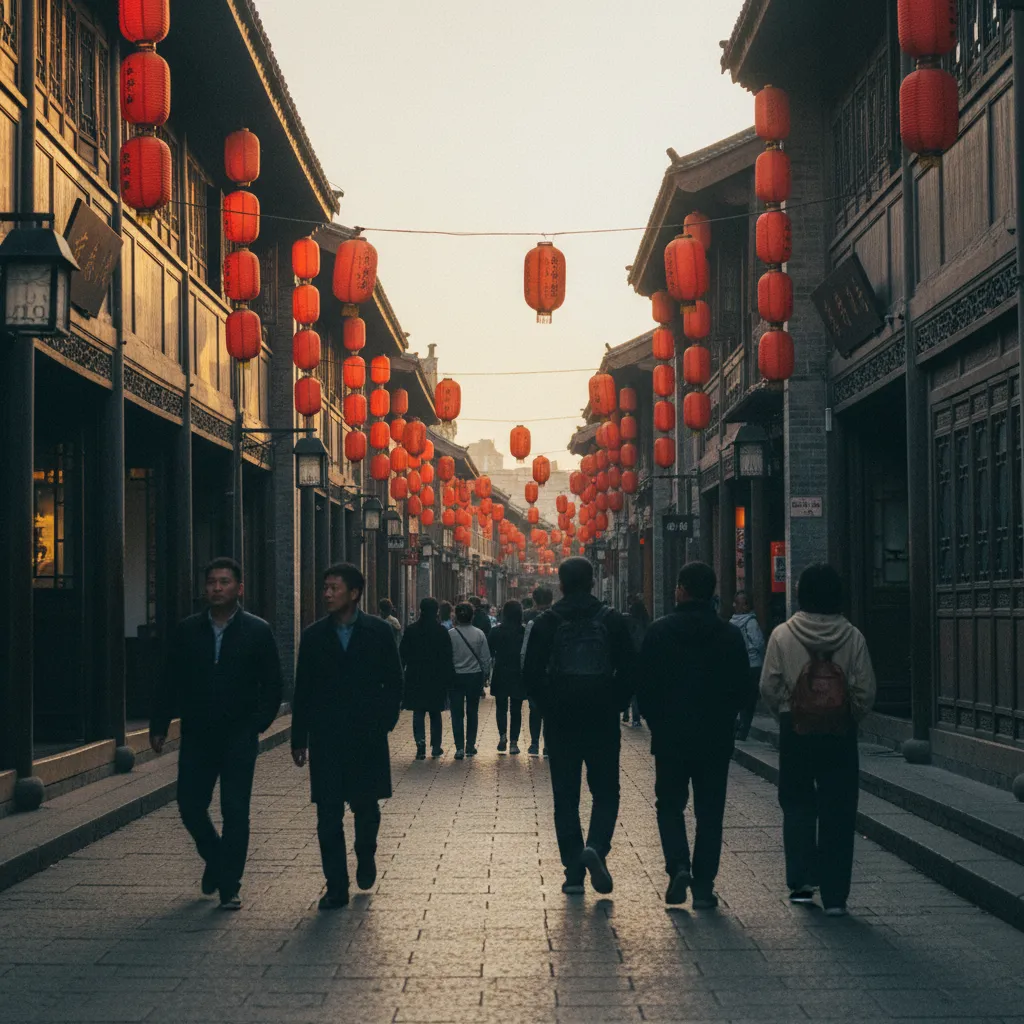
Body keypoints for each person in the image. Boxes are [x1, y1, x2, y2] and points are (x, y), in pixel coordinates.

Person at [150, 557, 283, 911]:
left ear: (239, 589)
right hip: (197, 733)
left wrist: (258, 723)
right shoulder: (188, 630)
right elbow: (169, 679)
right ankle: (216, 857)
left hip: (239, 733)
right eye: (211, 582)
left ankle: (230, 885)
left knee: (235, 809)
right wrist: (160, 724)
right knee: (190, 805)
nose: (217, 588)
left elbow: (273, 685)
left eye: (224, 582)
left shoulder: (257, 630)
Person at [760, 563, 877, 917]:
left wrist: (786, 708)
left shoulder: (783, 634)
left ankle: (801, 883)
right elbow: (865, 690)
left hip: (796, 730)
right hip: (840, 734)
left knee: (797, 804)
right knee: (838, 809)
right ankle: (836, 895)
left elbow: (768, 684)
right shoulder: (853, 636)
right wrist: (848, 714)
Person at [637, 563, 749, 909]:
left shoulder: (659, 632)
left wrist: (656, 722)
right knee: (710, 812)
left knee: (670, 805)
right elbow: (743, 688)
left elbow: (646, 688)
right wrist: (731, 722)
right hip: (715, 737)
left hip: (671, 735)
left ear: (682, 590)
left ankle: (678, 867)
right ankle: (703, 886)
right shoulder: (729, 635)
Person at [292, 563, 404, 910]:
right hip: (326, 737)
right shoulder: (313, 636)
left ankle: (365, 854)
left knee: (366, 807)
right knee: (327, 813)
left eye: (334, 588)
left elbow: (394, 681)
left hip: (367, 735)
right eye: (325, 588)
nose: (327, 594)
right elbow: (303, 690)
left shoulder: (379, 632)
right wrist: (300, 738)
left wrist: (384, 721)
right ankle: (336, 885)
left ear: (354, 593)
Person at [523, 558, 634, 895]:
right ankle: (596, 848)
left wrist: (549, 706)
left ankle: (573, 872)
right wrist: (615, 703)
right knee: (605, 792)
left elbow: (530, 674)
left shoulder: (547, 622)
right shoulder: (612, 620)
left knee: (565, 796)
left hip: (562, 721)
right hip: (601, 718)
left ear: (561, 584)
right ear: (592, 582)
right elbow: (630, 669)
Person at [400, 597, 455, 759]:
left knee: (418, 712)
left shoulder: (411, 630)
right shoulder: (441, 632)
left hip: (415, 677)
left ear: (420, 610)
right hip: (436, 678)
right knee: (435, 712)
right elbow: (447, 657)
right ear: (436, 611)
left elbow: (402, 654)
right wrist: (449, 679)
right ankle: (436, 747)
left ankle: (420, 745)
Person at [449, 602, 491, 760]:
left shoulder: (451, 634)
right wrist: (486, 675)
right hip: (474, 676)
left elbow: (447, 657)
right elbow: (486, 658)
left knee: (457, 712)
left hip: (456, 676)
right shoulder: (479, 634)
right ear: (472, 616)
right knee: (472, 712)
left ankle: (459, 747)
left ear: (457, 617)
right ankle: (470, 745)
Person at [488, 600, 528, 755]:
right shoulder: (523, 632)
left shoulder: (496, 631)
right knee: (516, 709)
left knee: (501, 707)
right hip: (517, 672)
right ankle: (514, 743)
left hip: (501, 671)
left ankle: (502, 736)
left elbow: (490, 651)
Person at [522, 586, 554, 755]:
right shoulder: (559, 616)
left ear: (534, 599)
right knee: (550, 711)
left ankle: (534, 743)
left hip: (535, 670)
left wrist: (524, 670)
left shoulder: (528, 617)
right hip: (555, 672)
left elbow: (524, 648)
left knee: (535, 710)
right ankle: (548, 746)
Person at [731, 592, 766, 740]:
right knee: (748, 699)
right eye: (737, 602)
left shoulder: (732, 623)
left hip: (740, 665)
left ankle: (739, 729)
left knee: (740, 697)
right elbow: (758, 643)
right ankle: (743, 729)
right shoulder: (751, 622)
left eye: (739, 603)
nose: (736, 605)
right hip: (752, 663)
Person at [623, 598, 650, 727]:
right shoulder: (646, 623)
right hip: (642, 659)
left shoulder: (628, 620)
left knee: (628, 686)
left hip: (629, 658)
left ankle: (625, 713)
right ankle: (636, 719)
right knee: (636, 690)